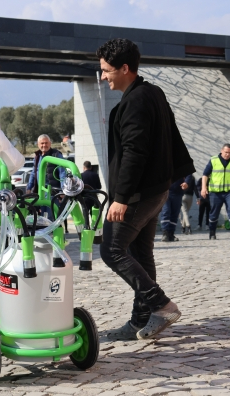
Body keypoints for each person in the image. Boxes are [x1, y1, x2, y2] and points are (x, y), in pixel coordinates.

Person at [96, 38, 195, 340]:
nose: (103, 76)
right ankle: (140, 320)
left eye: (106, 70)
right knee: (140, 253)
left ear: (125, 68)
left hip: (138, 194)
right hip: (156, 190)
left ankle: (161, 305)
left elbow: (135, 152)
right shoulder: (152, 92)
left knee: (111, 249)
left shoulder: (137, 100)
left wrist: (121, 198)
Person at [201, 143, 230, 241]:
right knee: (214, 213)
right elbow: (205, 175)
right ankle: (212, 233)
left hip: (229, 192)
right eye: (226, 152)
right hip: (215, 192)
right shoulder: (213, 160)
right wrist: (204, 188)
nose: (227, 154)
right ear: (221, 151)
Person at [26, 134, 66, 223]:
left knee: (52, 216)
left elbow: (62, 171)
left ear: (50, 143)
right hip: (40, 193)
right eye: (42, 143)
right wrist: (29, 188)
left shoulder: (56, 154)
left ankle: (55, 234)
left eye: (46, 143)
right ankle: (47, 234)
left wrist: (63, 189)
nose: (44, 145)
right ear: (38, 144)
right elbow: (33, 173)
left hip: (52, 192)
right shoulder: (37, 156)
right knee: (43, 217)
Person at [160, 177, 188, 242]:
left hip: (177, 193)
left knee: (175, 214)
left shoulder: (181, 166)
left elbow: (188, 173)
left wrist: (186, 182)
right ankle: (165, 233)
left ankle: (171, 233)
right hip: (165, 191)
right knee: (166, 211)